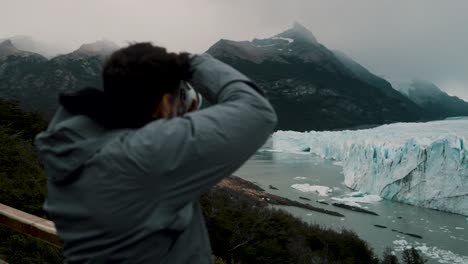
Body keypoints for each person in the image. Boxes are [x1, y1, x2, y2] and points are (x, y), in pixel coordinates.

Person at [35, 43, 277, 263]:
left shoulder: (73, 146)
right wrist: (192, 63)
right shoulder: (143, 159)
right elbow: (257, 111)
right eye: (177, 99)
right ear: (163, 103)